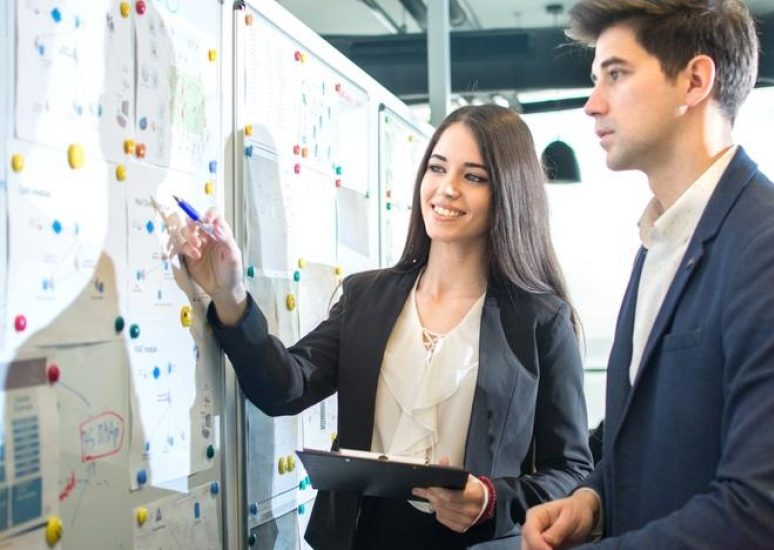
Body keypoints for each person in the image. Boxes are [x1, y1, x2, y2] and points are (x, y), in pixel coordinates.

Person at [181, 105, 593, 549]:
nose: (446, 189)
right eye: (437, 168)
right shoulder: (367, 298)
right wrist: (230, 296)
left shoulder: (541, 321)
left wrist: (492, 500)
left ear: (508, 193)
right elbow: (285, 387)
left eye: (473, 177)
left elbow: (571, 471)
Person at [522, 1, 774, 548]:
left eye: (616, 75)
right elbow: (663, 442)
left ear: (695, 80)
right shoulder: (659, 242)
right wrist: (593, 501)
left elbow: (766, 517)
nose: (591, 104)